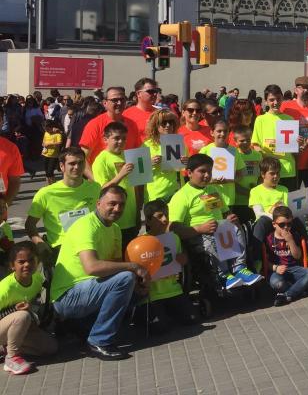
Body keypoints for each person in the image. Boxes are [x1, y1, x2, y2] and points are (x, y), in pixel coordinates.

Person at [51, 185, 147, 360]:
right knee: (126, 277)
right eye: (112, 204)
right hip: (67, 296)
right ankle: (99, 341)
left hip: (89, 290)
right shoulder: (85, 225)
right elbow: (92, 268)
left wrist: (137, 283)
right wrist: (132, 267)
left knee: (135, 286)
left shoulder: (115, 228)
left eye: (121, 205)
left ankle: (81, 327)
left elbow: (116, 264)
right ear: (98, 204)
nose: (117, 209)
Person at [168, 154, 262, 291]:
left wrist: (230, 218)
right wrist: (199, 229)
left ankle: (239, 268)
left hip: (219, 230)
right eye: (202, 171)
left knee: (236, 227)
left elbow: (225, 212)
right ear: (189, 173)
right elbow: (174, 228)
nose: (207, 175)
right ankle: (222, 274)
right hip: (197, 236)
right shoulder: (181, 196)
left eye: (209, 171)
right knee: (210, 238)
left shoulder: (212, 190)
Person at [25, 147, 101, 263]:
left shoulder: (95, 188)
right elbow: (30, 224)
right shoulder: (46, 193)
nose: (77, 167)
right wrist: (38, 242)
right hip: (60, 249)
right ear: (62, 166)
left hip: (91, 245)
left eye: (81, 163)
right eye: (72, 163)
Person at [137, 200, 196, 333]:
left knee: (192, 319)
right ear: (148, 220)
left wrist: (183, 259)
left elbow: (182, 260)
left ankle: (168, 312)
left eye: (166, 215)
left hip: (173, 290)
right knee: (159, 329)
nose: (165, 219)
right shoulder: (141, 242)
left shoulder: (173, 238)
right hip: (152, 295)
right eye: (159, 216)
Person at [0, 242, 57, 374]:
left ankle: (5, 348)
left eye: (31, 260)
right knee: (22, 316)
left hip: (14, 327)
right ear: (12, 266)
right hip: (11, 323)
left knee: (51, 347)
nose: (27, 264)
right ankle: (12, 358)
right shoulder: (5, 288)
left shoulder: (37, 279)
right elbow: (19, 314)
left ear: (37, 261)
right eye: (21, 262)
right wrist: (14, 310)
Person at [91, 122, 144, 248]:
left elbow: (135, 185)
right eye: (116, 138)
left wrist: (137, 211)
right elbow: (102, 189)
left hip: (130, 217)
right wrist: (121, 174)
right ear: (105, 139)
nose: (121, 142)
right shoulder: (101, 160)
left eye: (124, 138)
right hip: (114, 220)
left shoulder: (128, 156)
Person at [79, 86, 141, 167]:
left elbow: (137, 152)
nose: (119, 103)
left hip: (128, 177)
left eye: (122, 99)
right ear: (105, 103)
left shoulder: (132, 124)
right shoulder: (95, 124)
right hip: (103, 177)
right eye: (114, 100)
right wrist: (94, 179)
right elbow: (83, 157)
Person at [252, 85, 299, 191]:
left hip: (288, 170)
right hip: (269, 173)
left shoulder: (290, 119)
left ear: (282, 98)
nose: (275, 102)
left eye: (278, 99)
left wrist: (300, 145)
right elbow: (255, 145)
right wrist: (267, 160)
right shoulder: (260, 120)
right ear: (266, 101)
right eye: (271, 100)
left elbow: (294, 149)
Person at [265, 206, 308, 306]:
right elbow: (264, 262)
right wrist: (275, 268)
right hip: (277, 271)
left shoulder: (294, 235)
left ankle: (287, 295)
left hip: (294, 268)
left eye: (289, 224)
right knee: (277, 284)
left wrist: (291, 241)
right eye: (282, 224)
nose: (286, 227)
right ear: (274, 224)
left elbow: (297, 256)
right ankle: (299, 290)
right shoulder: (269, 239)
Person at [199, 120, 246, 210]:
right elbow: (198, 175)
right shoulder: (205, 151)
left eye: (225, 131)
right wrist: (211, 180)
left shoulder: (234, 151)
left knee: (226, 222)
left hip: (228, 198)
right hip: (210, 195)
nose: (222, 134)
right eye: (219, 131)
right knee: (214, 222)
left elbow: (240, 174)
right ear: (212, 132)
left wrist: (230, 180)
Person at [142, 110, 182, 204]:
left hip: (176, 192)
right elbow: (139, 171)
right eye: (164, 123)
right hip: (156, 193)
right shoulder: (146, 145)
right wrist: (149, 163)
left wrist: (186, 162)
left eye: (171, 122)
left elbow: (186, 168)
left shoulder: (179, 142)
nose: (168, 125)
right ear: (156, 125)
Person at [231, 125, 262, 222]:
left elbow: (261, 176)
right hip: (238, 200)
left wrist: (256, 190)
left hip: (254, 199)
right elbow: (231, 180)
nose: (245, 143)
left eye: (248, 140)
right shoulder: (233, 156)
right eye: (241, 141)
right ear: (235, 141)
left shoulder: (258, 155)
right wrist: (246, 192)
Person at [41, 120, 64, 185]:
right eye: (45, 129)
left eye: (48, 129)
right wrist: (43, 144)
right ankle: (49, 185)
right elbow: (44, 141)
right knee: (46, 172)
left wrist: (49, 144)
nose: (46, 130)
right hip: (45, 154)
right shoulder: (46, 133)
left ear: (52, 127)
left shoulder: (57, 134)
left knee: (50, 172)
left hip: (54, 155)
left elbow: (60, 143)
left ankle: (53, 185)